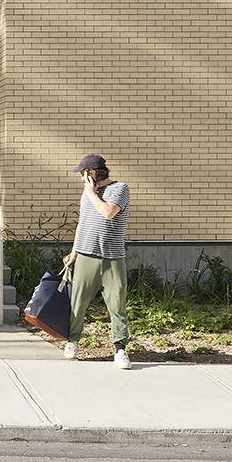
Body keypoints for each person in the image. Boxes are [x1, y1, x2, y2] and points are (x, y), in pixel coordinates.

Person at [62, 153, 131, 368]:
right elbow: (82, 223)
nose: (82, 177)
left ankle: (120, 350)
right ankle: (72, 341)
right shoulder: (87, 194)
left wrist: (91, 193)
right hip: (85, 255)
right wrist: (73, 253)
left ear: (93, 173)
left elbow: (108, 212)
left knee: (117, 303)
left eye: (84, 173)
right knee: (78, 303)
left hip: (113, 258)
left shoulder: (120, 189)